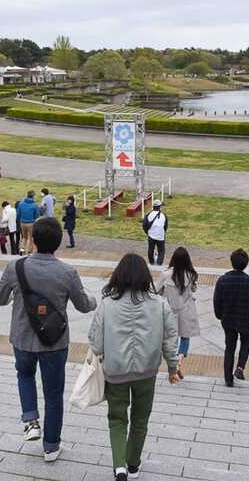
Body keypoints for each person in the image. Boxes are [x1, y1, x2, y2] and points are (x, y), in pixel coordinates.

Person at [0, 217, 97, 462]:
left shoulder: (15, 267)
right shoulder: (67, 272)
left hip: (22, 339)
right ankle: (51, 446)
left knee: (25, 375)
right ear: (58, 243)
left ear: (34, 240)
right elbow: (83, 305)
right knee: (53, 393)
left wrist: (13, 296)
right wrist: (93, 300)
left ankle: (30, 421)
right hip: (55, 342)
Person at [88, 253, 180, 481]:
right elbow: (170, 338)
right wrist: (172, 367)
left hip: (115, 371)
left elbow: (96, 344)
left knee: (117, 418)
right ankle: (133, 464)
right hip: (146, 372)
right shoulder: (159, 304)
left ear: (118, 276)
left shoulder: (107, 304)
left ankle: (119, 466)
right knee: (141, 419)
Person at [213, 249, 249, 387]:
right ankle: (240, 368)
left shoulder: (223, 281)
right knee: (246, 342)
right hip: (247, 320)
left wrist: (219, 315)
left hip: (228, 319)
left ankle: (228, 378)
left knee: (230, 347)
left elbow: (217, 301)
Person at [158, 247, 200, 378]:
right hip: (187, 310)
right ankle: (179, 361)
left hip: (171, 310)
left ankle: (173, 362)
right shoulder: (191, 274)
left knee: (171, 338)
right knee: (185, 338)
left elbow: (156, 290)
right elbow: (194, 289)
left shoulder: (165, 275)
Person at [143, 200, 168, 266]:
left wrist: (147, 233)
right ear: (159, 207)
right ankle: (159, 264)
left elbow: (144, 225)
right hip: (160, 236)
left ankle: (151, 262)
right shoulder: (164, 215)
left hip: (151, 235)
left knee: (151, 249)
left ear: (153, 206)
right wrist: (162, 233)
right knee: (161, 251)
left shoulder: (148, 215)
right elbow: (165, 227)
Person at [18, 190, 41, 255]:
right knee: (30, 238)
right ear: (33, 196)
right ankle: (28, 251)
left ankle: (22, 249)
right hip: (31, 223)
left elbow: (18, 214)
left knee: (24, 237)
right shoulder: (35, 205)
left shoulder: (21, 203)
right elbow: (37, 216)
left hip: (22, 223)